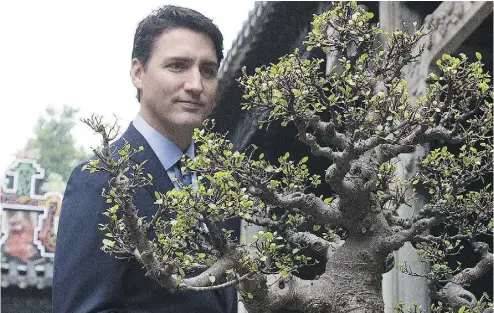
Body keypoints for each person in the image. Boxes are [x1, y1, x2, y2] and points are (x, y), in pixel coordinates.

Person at [53, 5, 239, 313]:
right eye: (178, 66)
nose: (195, 85)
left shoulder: (220, 185)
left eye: (208, 70)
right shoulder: (100, 180)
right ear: (138, 73)